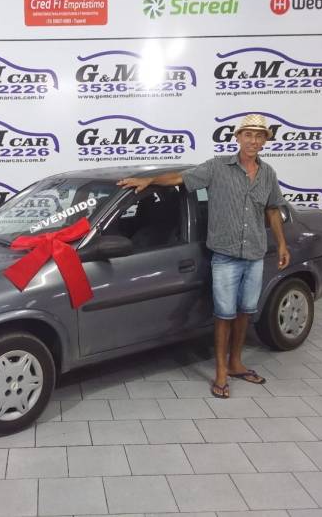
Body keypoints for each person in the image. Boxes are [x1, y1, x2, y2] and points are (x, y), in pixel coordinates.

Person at [117, 114, 291, 398]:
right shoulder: (217, 167)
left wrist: (282, 244)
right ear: (238, 137)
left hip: (255, 254)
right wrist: (149, 180)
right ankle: (221, 371)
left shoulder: (268, 173)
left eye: (259, 136)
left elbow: (272, 210)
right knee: (224, 314)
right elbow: (180, 178)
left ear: (264, 142)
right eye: (248, 135)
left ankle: (236, 363)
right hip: (225, 256)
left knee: (246, 311)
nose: (253, 140)